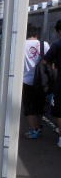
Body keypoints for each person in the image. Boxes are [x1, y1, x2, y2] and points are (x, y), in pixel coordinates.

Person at [23, 25, 50, 139]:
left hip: (26, 81)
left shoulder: (21, 44)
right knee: (39, 107)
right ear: (36, 34)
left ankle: (35, 130)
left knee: (29, 108)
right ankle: (38, 126)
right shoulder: (45, 44)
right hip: (42, 81)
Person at [42, 19, 61, 147]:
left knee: (59, 110)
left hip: (60, 83)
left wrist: (53, 66)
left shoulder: (57, 44)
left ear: (59, 31)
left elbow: (45, 61)